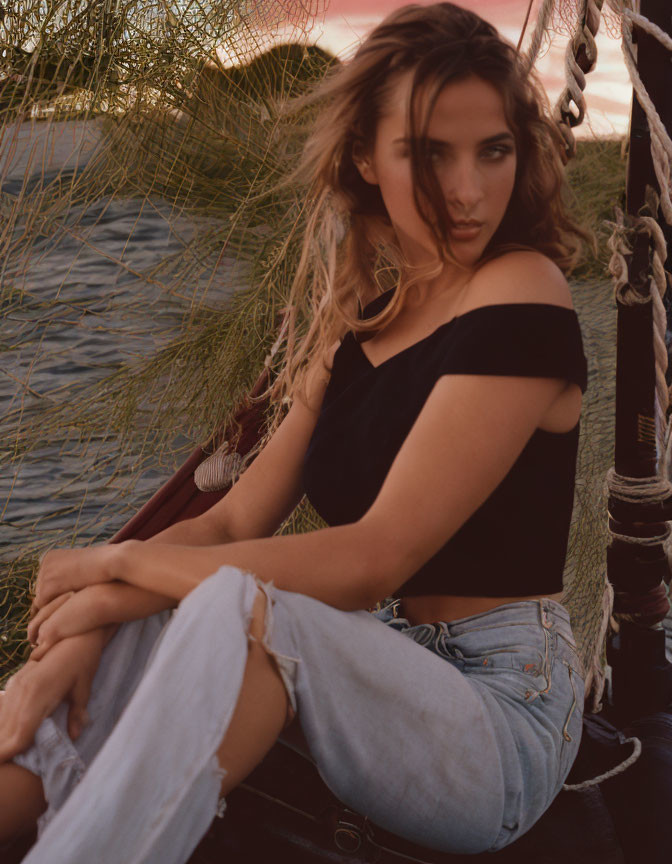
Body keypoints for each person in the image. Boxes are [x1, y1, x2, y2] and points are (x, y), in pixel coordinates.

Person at [0, 3, 592, 860]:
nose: (469, 189)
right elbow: (236, 522)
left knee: (240, 606)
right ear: (364, 157)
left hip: (499, 714)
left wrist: (115, 564)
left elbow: (371, 561)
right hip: (382, 665)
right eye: (430, 153)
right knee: (180, 612)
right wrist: (91, 624)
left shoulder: (524, 288)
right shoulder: (362, 321)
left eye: (493, 151)